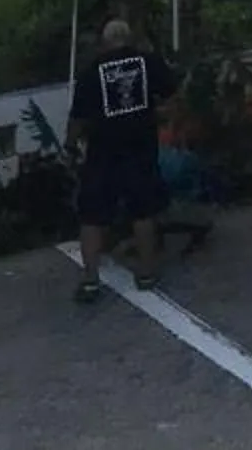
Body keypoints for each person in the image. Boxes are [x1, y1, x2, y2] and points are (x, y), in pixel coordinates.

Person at [68, 17, 175, 303]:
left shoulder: (92, 72)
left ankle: (90, 279)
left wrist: (70, 145)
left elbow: (78, 116)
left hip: (102, 152)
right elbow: (171, 92)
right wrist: (160, 116)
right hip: (140, 148)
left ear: (105, 42)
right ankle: (146, 272)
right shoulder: (147, 62)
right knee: (143, 211)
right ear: (129, 39)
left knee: (92, 215)